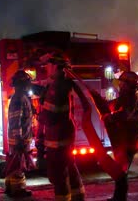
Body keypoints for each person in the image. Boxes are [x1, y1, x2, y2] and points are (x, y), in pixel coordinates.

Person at [89, 71, 138, 201]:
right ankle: (119, 197)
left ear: (126, 84)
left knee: (121, 171)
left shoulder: (131, 98)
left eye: (121, 81)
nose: (119, 84)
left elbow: (125, 114)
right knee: (121, 170)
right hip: (126, 139)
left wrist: (109, 117)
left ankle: (120, 198)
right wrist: (97, 99)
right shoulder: (127, 96)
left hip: (128, 140)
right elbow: (111, 105)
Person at [39, 54, 88, 201]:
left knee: (59, 174)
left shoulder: (56, 87)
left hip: (57, 137)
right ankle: (78, 196)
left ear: (55, 66)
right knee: (69, 167)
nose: (46, 68)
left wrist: (40, 116)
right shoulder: (64, 84)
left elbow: (51, 116)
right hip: (64, 135)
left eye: (48, 65)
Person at [4, 70, 36, 198]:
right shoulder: (18, 99)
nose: (29, 86)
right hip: (20, 139)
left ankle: (10, 187)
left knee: (13, 163)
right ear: (21, 84)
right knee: (18, 165)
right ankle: (18, 190)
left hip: (19, 138)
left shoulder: (21, 98)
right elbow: (15, 121)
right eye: (27, 83)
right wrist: (19, 140)